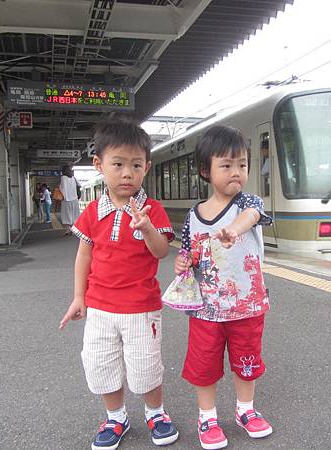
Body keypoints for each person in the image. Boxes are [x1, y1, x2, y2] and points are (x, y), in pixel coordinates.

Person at [59, 115, 179, 450]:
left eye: (136, 165)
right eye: (118, 164)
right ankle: (116, 417)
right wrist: (78, 297)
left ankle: (155, 413)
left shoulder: (152, 209)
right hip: (99, 307)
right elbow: (84, 256)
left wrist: (148, 229)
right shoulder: (91, 212)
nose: (127, 173)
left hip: (140, 307)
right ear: (99, 165)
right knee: (102, 364)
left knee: (145, 365)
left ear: (147, 167)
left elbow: (160, 252)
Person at [174, 125, 274, 450]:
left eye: (242, 165)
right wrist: (182, 262)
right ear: (206, 170)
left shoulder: (247, 202)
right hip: (206, 308)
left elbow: (251, 216)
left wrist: (233, 229)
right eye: (226, 165)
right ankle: (207, 416)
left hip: (246, 304)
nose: (236, 172)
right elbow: (187, 250)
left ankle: (246, 409)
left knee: (247, 360)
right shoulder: (194, 215)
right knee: (204, 364)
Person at [59, 165, 81, 235]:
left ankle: (69, 229)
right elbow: (79, 185)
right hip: (74, 199)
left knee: (67, 215)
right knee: (74, 215)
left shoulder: (63, 178)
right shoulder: (74, 178)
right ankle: (72, 229)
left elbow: (62, 189)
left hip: (66, 200)